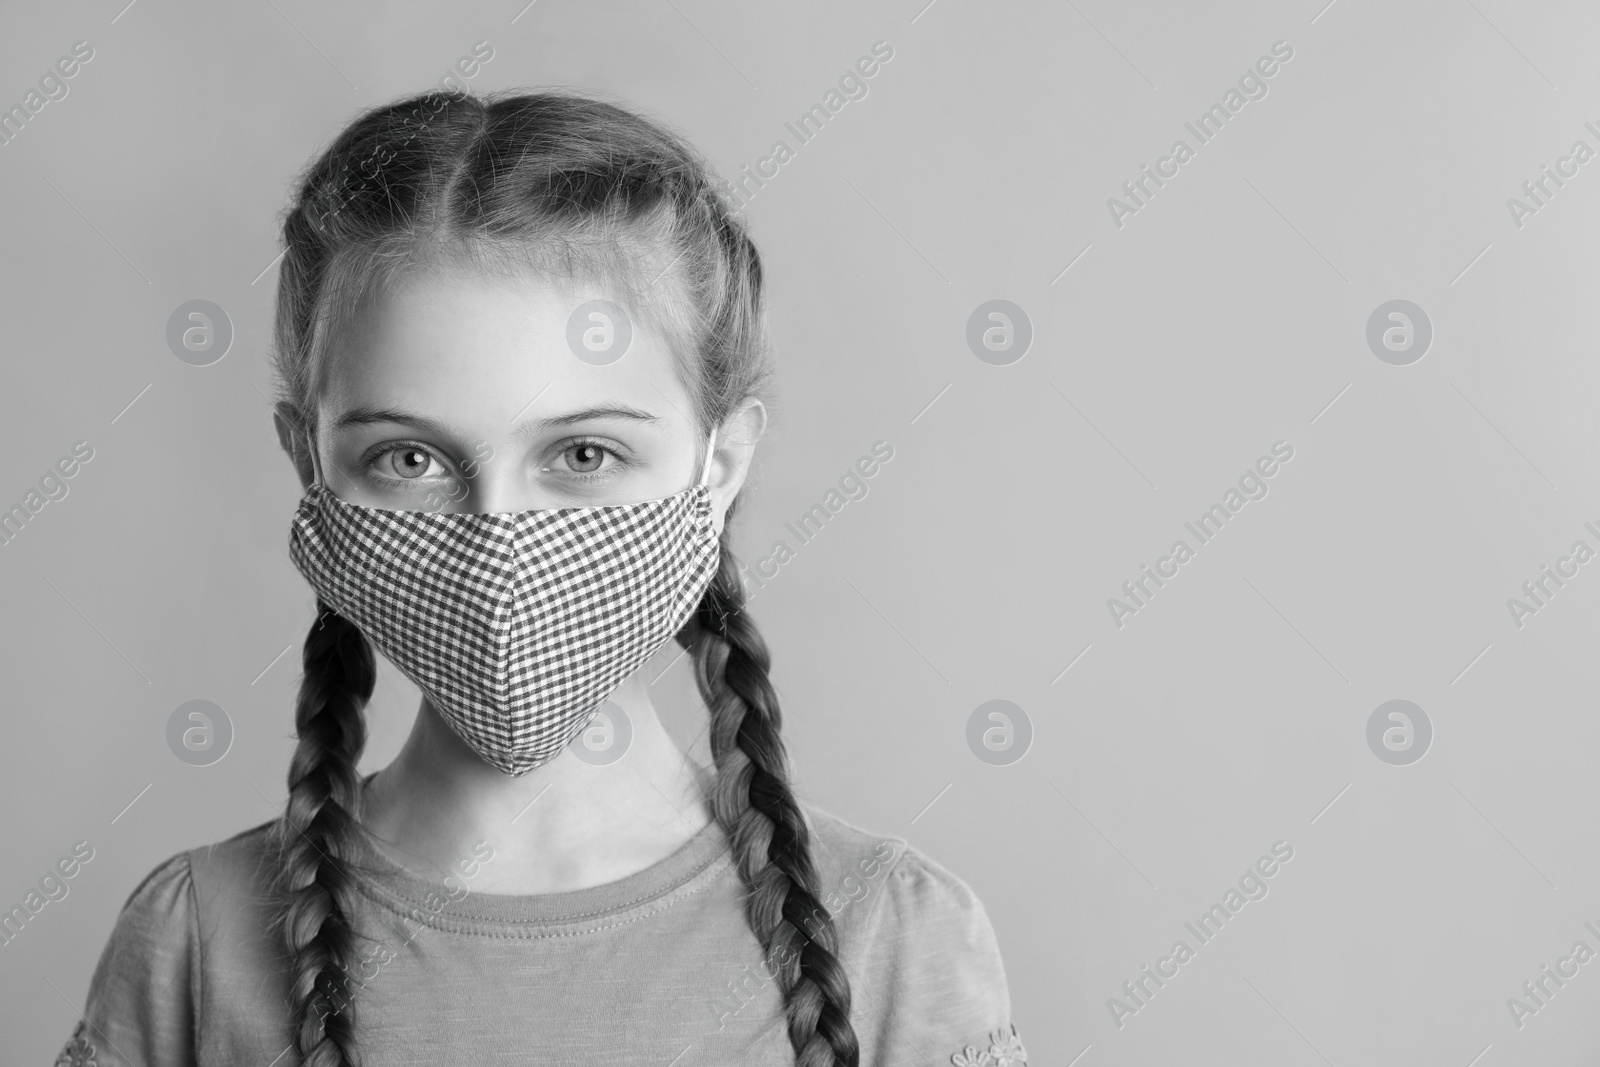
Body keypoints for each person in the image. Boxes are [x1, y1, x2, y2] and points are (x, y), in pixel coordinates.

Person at [57, 88, 1025, 1067]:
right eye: (410, 458)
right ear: (311, 467)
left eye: (586, 453)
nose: (499, 545)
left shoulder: (894, 935)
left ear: (718, 466)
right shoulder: (196, 940)